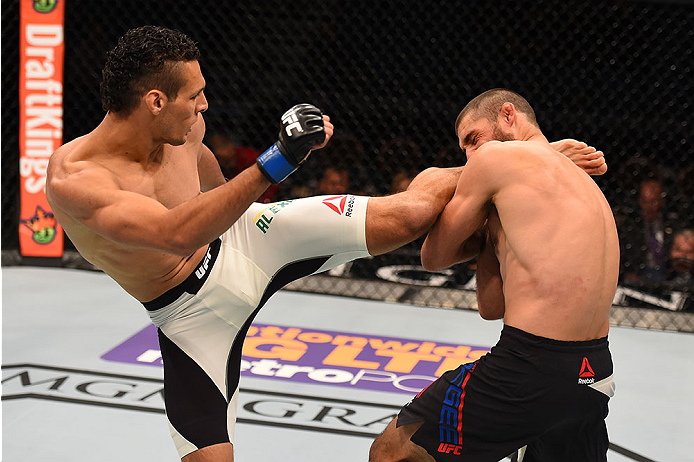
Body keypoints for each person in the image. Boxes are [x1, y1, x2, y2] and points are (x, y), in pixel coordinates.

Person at [45, 27, 607, 461]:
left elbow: (217, 196)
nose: (205, 107)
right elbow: (175, 233)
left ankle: (532, 163)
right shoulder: (78, 181)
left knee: (411, 210)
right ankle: (527, 165)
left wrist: (534, 158)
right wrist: (281, 158)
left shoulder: (183, 127)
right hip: (188, 313)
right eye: (195, 97)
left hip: (249, 238)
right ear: (153, 101)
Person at [369, 89, 619, 462]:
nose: (471, 154)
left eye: (473, 139)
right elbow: (491, 306)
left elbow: (433, 257)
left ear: (508, 115)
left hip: (531, 367)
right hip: (594, 373)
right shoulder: (585, 185)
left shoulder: (495, 157)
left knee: (393, 451)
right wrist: (491, 225)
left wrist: (479, 210)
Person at [620, 179, 677, 285]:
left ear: (662, 202)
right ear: (639, 201)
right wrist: (625, 274)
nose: (649, 207)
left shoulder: (671, 223)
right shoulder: (630, 225)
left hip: (667, 273)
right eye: (645, 201)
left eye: (654, 202)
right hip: (639, 273)